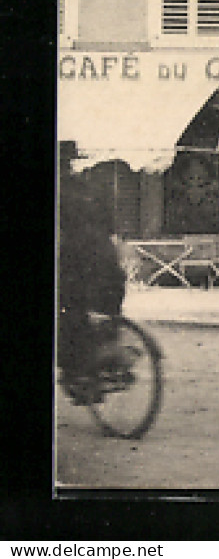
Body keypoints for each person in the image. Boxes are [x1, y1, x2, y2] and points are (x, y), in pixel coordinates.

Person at [57, 141, 127, 403]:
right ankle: (109, 358)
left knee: (68, 312)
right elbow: (112, 228)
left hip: (78, 267)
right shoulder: (90, 188)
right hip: (109, 267)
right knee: (108, 312)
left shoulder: (60, 191)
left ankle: (79, 373)